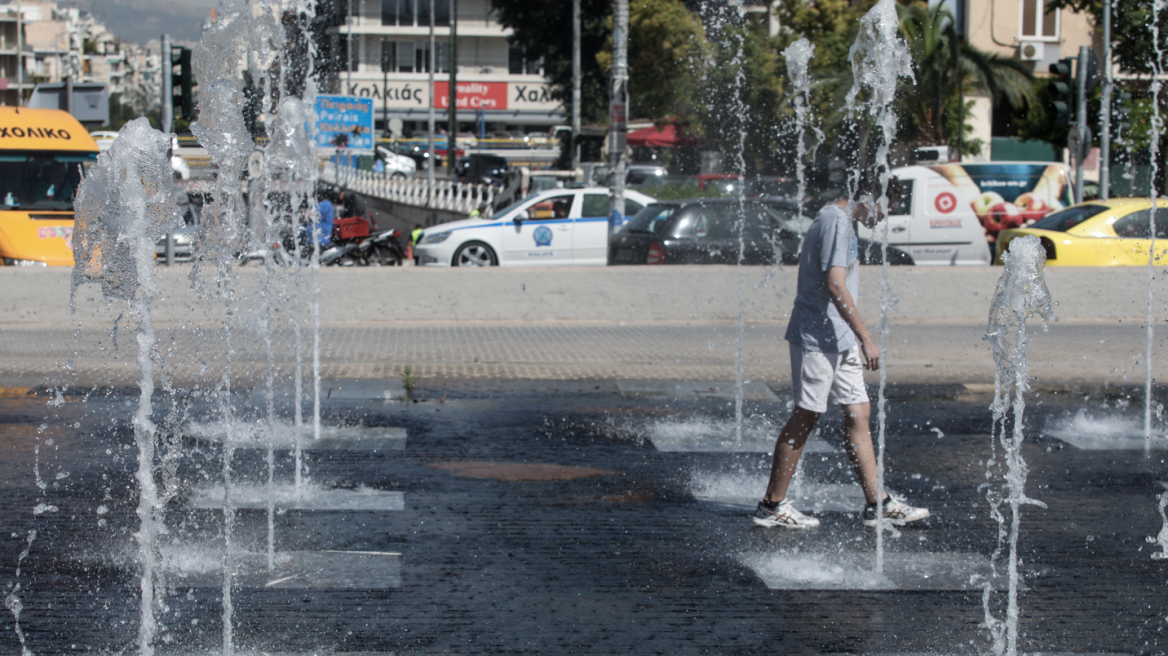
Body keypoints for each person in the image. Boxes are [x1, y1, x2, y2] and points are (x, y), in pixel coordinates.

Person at [752, 178, 929, 530]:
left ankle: (878, 503)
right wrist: (867, 339)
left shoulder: (842, 221)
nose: (884, 217)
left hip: (839, 336)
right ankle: (772, 505)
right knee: (807, 415)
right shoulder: (835, 222)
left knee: (859, 412)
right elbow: (835, 283)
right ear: (869, 197)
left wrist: (854, 337)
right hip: (819, 336)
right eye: (885, 207)